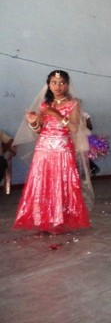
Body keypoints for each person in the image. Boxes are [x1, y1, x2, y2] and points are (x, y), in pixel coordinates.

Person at [13, 70, 91, 233]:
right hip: (43, 148)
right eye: (54, 83)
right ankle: (44, 220)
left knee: (60, 183)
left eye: (62, 83)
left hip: (62, 148)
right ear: (48, 85)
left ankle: (58, 221)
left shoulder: (73, 104)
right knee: (42, 183)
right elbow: (39, 130)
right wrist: (33, 122)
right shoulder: (45, 105)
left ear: (67, 85)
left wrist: (56, 114)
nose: (58, 86)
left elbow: (74, 128)